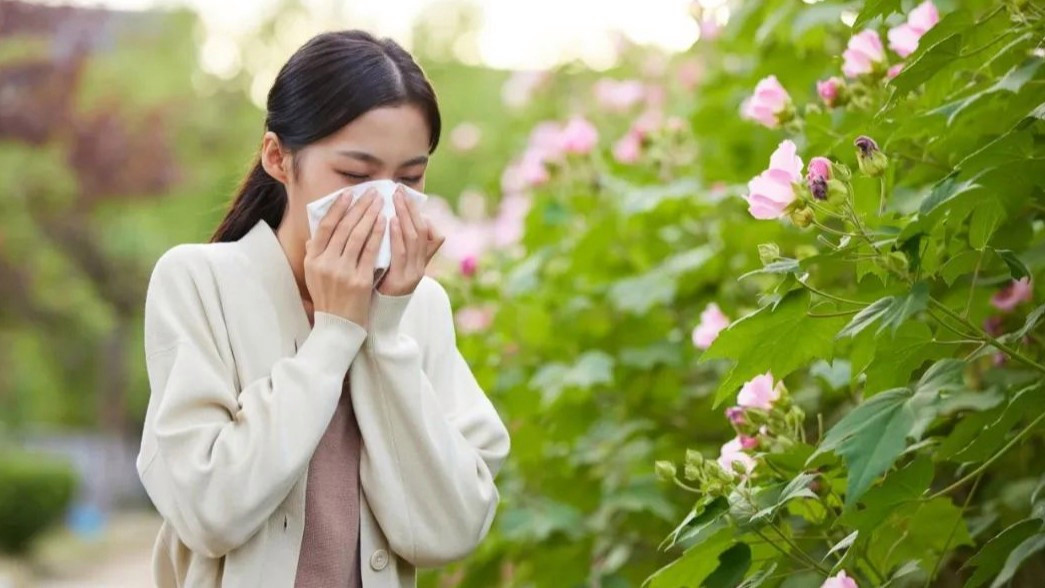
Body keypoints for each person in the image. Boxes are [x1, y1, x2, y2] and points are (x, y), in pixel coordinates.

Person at [136, 30, 511, 588]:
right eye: (356, 176)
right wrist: (335, 334)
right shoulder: (198, 282)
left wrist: (382, 332)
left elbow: (451, 528)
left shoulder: (419, 307)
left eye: (409, 178)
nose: (382, 200)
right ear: (278, 158)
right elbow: (208, 510)